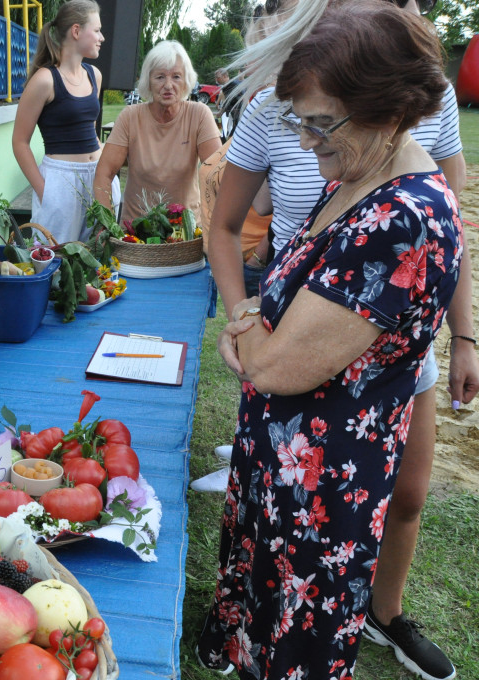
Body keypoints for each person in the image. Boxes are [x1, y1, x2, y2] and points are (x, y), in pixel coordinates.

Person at [204, 0, 479, 677]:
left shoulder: (404, 219)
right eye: (301, 121)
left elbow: (271, 369)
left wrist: (247, 333)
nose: (305, 141)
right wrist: (248, 321)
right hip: (292, 467)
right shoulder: (357, 175)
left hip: (322, 493)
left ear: (388, 107)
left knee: (292, 637)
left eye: (321, 123)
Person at [11, 0, 120, 244]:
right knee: (58, 263)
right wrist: (44, 191)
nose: (102, 37)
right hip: (60, 183)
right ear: (76, 31)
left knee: (101, 256)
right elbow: (19, 142)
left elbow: (89, 129)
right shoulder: (44, 81)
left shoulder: (95, 75)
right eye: (97, 30)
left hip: (98, 177)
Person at [93, 40, 220, 228]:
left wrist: (215, 227)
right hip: (136, 232)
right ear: (148, 81)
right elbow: (104, 173)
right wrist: (107, 225)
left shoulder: (199, 114)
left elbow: (215, 174)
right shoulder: (130, 117)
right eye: (160, 77)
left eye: (176, 77)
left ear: (186, 81)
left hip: (185, 232)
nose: (168, 85)